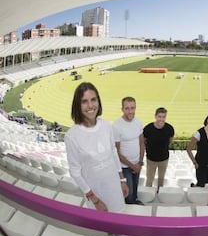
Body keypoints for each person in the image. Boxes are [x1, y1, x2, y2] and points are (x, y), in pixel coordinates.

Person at [64, 82, 129, 212]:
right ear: (77, 105)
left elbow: (113, 152)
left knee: (119, 219)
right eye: (84, 101)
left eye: (93, 100)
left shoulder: (107, 126)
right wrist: (95, 200)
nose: (90, 106)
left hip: (114, 186)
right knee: (102, 228)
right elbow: (75, 173)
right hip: (96, 193)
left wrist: (122, 180)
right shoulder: (72, 136)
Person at [113, 96, 145, 205]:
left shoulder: (138, 122)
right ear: (122, 109)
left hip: (137, 163)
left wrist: (140, 162)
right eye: (127, 108)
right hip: (125, 167)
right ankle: (129, 210)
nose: (130, 111)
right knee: (128, 192)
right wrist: (132, 166)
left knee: (135, 188)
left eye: (133, 108)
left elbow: (141, 142)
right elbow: (116, 152)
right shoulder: (117, 126)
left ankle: (134, 203)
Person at [143, 107, 174, 192]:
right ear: (155, 116)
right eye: (159, 116)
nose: (161, 119)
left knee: (161, 180)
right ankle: (147, 194)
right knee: (149, 180)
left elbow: (170, 141)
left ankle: (159, 194)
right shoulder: (148, 128)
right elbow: (143, 141)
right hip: (151, 160)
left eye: (163, 117)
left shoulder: (169, 128)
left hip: (164, 159)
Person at [187, 112, 208, 187]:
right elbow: (188, 149)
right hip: (201, 164)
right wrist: (194, 163)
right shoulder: (198, 133)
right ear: (207, 120)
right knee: (201, 184)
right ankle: (195, 186)